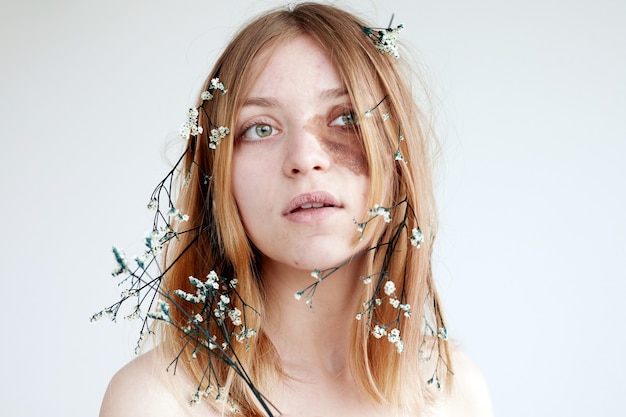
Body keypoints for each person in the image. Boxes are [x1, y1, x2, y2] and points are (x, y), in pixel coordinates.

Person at [96, 3, 493, 416]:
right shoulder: (157, 401)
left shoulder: (453, 393)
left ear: (398, 154)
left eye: (346, 118)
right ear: (220, 174)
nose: (305, 157)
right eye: (260, 128)